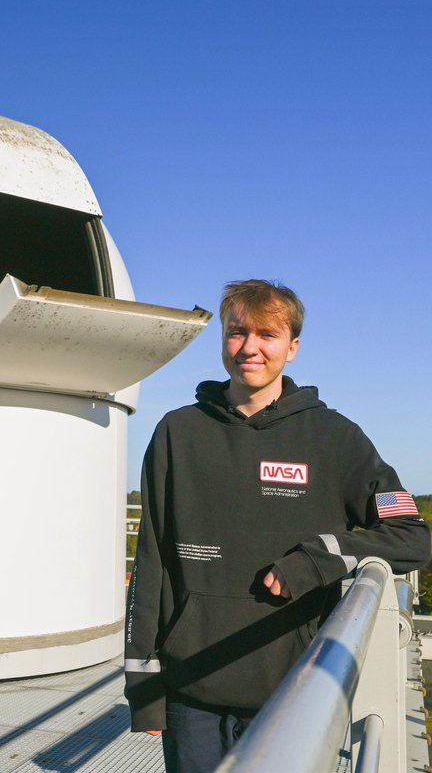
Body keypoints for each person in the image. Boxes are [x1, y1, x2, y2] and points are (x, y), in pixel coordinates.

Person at [123, 279, 430, 772]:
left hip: (296, 691)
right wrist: (142, 684)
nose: (249, 348)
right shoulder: (177, 433)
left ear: (293, 347)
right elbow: (152, 561)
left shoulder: (335, 439)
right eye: (236, 332)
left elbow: (412, 535)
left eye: (267, 335)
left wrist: (318, 559)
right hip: (191, 693)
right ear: (222, 337)